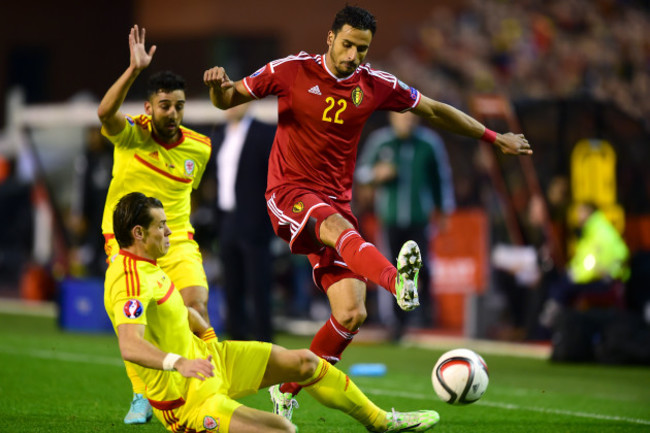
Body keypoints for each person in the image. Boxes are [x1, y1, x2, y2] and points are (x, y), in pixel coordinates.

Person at [203, 5, 532, 421]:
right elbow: (227, 99)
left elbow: (431, 109)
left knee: (351, 312)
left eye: (362, 48)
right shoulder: (291, 70)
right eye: (347, 45)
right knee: (337, 226)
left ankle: (286, 391)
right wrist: (218, 87)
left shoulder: (375, 84)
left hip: (335, 203)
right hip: (289, 194)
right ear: (329, 38)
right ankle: (399, 284)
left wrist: (493, 136)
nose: (353, 55)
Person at [104, 191, 440, 433]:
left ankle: (381, 422)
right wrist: (180, 362)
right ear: (138, 233)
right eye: (161, 226)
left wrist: (206, 337)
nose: (168, 232)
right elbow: (129, 345)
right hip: (187, 401)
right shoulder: (129, 279)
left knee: (307, 363)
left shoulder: (148, 266)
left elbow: (178, 310)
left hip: (211, 360)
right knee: (282, 431)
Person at [97, 25, 212, 424]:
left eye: (179, 106)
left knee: (195, 306)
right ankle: (142, 394)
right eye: (164, 105)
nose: (173, 113)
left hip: (176, 236)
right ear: (149, 108)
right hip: (128, 239)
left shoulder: (199, 147)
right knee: (135, 317)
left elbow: (186, 194)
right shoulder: (131, 136)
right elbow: (104, 113)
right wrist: (132, 70)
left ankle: (208, 384)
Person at [357, 110, 456, 341]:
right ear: (392, 117)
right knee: (392, 268)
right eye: (403, 117)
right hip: (389, 217)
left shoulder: (429, 144)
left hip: (419, 216)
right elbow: (361, 172)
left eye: (411, 117)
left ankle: (423, 316)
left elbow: (440, 179)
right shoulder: (381, 141)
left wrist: (445, 210)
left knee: (421, 266)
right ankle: (395, 323)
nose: (407, 121)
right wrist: (375, 174)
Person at [209, 102, 276, 341]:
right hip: (227, 218)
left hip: (255, 221)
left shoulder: (265, 132)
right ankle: (236, 341)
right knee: (231, 284)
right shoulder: (219, 133)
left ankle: (264, 342)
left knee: (258, 286)